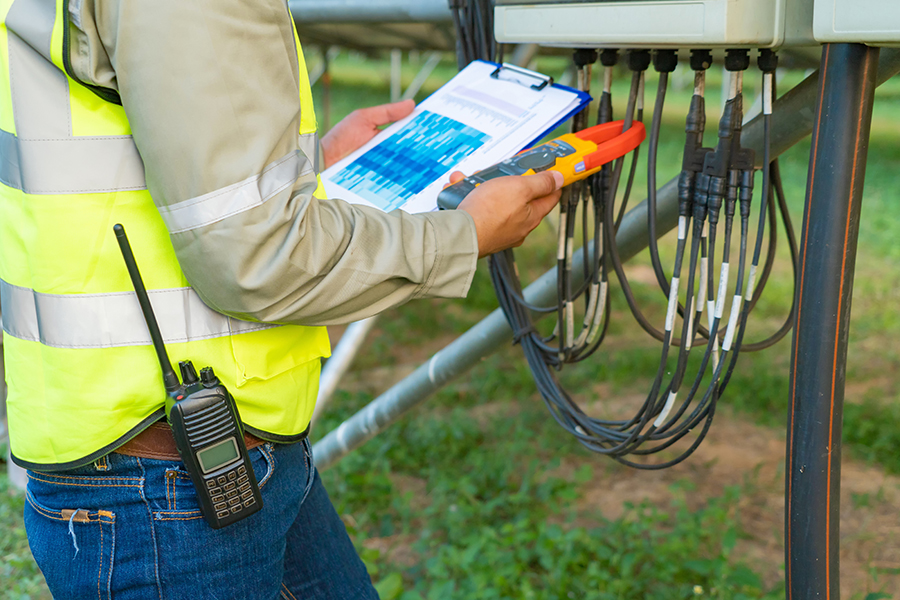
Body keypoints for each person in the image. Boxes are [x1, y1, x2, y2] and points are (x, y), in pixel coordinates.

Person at [0, 0, 562, 597]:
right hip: (170, 477)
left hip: (191, 450)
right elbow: (256, 259)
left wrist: (301, 167)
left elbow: (143, 156)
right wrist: (461, 235)